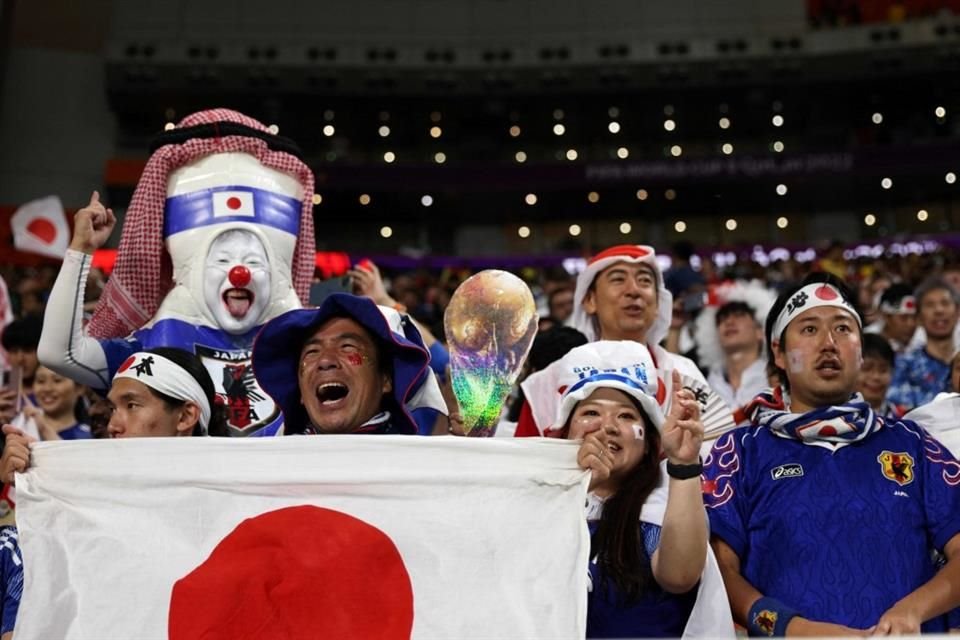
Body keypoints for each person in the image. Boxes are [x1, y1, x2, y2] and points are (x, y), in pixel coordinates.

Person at [703, 272, 960, 634]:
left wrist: (913, 611)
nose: (828, 343)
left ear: (861, 347)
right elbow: (719, 573)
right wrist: (790, 629)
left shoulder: (914, 444)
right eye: (808, 329)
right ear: (778, 351)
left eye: (843, 329)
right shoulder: (740, 453)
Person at [38, 109, 317, 438]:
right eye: (222, 260)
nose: (239, 273)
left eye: (254, 262)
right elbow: (59, 353)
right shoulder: (151, 350)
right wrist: (80, 251)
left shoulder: (316, 345)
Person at [560, 341, 733, 637]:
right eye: (590, 413)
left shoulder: (663, 506)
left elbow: (679, 576)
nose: (608, 427)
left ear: (648, 444)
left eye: (626, 416)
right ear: (565, 432)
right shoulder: (536, 505)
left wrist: (683, 465)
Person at [517, 245, 733, 444]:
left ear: (658, 303)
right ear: (590, 300)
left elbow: (715, 458)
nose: (634, 290)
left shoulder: (685, 372)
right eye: (618, 279)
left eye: (645, 281)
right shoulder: (547, 384)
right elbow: (527, 473)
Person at [251, 292, 447, 435]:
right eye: (312, 352)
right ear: (301, 393)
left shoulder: (418, 460)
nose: (325, 361)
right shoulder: (266, 462)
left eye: (347, 347)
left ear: (386, 380)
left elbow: (449, 367)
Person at [693, 282, 778, 417]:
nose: (729, 322)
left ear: (760, 330)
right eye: (721, 319)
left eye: (739, 315)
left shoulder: (778, 380)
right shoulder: (702, 383)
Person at [887, 277, 959, 410]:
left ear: (957, 312)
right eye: (930, 305)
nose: (939, 310)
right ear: (918, 318)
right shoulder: (903, 366)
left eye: (945, 303)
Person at [0, 317, 42, 425]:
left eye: (27, 351)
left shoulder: (59, 386)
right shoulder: (3, 387)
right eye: (14, 351)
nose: (20, 359)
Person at [858, 333, 903, 420]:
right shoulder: (837, 418)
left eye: (883, 370)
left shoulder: (904, 418)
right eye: (867, 368)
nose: (876, 377)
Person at [864, 283, 917, 354]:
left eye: (914, 317)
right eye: (904, 318)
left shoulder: (921, 341)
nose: (911, 324)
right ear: (886, 317)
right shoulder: (866, 341)